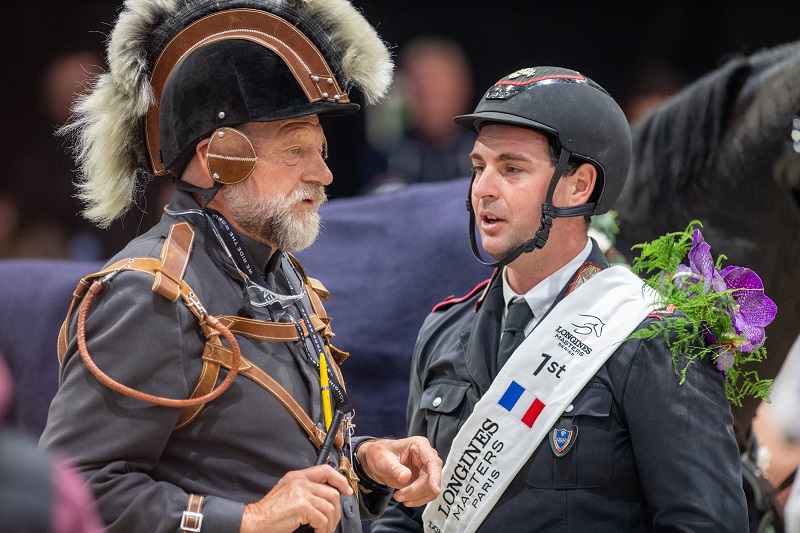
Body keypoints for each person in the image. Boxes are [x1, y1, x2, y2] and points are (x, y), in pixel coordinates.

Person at [39, 1, 441, 532]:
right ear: (217, 157)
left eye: (320, 150)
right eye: (296, 151)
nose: (323, 174)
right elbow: (72, 490)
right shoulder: (149, 291)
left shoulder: (278, 273)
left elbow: (256, 457)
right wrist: (245, 520)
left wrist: (364, 464)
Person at [371, 66, 748, 531]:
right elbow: (411, 514)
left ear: (580, 185)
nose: (483, 188)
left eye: (511, 168)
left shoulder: (655, 337)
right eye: (478, 167)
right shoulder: (443, 331)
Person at [361, 36, 476, 194]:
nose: (431, 104)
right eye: (423, 92)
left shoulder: (484, 153)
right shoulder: (387, 157)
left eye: (440, 91)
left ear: (464, 91)